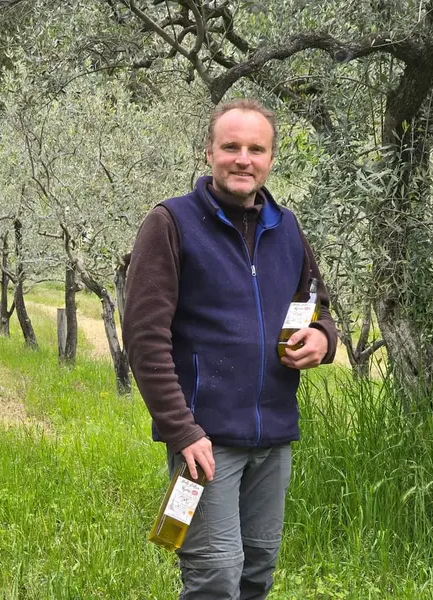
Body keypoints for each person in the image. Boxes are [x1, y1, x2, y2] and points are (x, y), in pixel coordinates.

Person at [123, 98, 338, 600]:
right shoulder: (171, 223)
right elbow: (144, 336)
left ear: (270, 158)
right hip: (206, 443)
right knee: (216, 576)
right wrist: (182, 431)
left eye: (256, 149)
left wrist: (322, 338)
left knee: (257, 571)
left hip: (274, 437)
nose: (244, 158)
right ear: (209, 154)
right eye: (231, 147)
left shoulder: (286, 229)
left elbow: (315, 303)